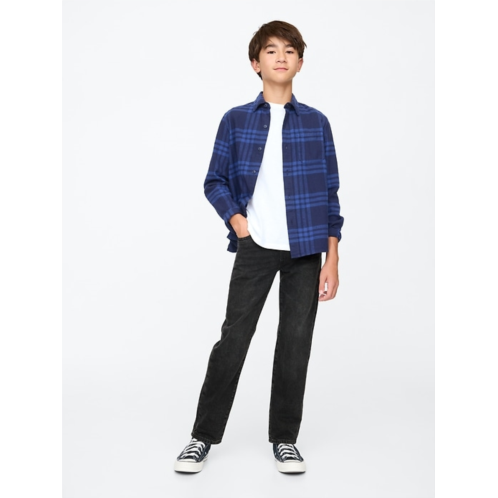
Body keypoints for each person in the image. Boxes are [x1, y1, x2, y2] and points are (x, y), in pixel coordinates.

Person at [174, 20, 344, 475]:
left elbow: (330, 194)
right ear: (256, 63)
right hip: (257, 245)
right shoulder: (236, 119)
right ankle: (201, 437)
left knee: (295, 343)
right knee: (234, 339)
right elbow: (214, 180)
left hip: (306, 248)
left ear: (300, 62)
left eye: (290, 50)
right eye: (271, 50)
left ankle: (284, 439)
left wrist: (333, 258)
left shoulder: (316, 123)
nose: (281, 57)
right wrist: (238, 222)